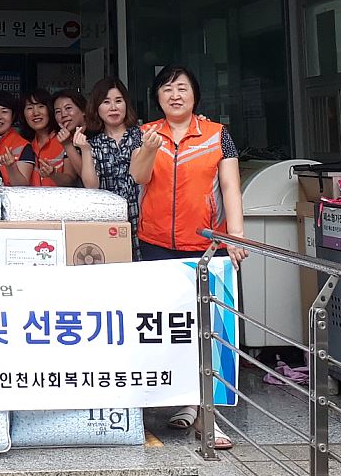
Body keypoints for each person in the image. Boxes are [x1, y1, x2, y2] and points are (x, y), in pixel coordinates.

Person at [135, 65, 248, 450]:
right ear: (157, 97)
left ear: (195, 94)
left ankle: (206, 415)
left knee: (207, 329)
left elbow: (230, 186)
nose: (175, 95)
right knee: (167, 327)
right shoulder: (147, 132)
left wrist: (235, 235)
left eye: (182, 88)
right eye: (167, 89)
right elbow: (139, 177)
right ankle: (180, 400)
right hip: (155, 244)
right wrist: (149, 149)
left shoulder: (218, 135)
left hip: (205, 245)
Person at [72, 77, 162, 260]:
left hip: (144, 221)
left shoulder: (142, 135)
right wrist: (85, 150)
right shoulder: (94, 143)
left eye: (118, 101)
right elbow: (91, 186)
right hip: (109, 223)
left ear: (126, 105)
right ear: (96, 108)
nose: (113, 107)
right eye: (106, 102)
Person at [21, 88, 76, 186]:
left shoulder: (65, 139)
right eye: (29, 108)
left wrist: (53, 174)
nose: (36, 113)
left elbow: (71, 181)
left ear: (50, 110)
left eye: (41, 106)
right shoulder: (23, 145)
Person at [0, 90, 34, 186]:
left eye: (4, 111)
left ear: (13, 116)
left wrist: (11, 166)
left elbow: (22, 186)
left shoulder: (23, 146)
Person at [54, 89, 88, 179]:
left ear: (83, 110)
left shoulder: (96, 136)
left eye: (68, 108)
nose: (63, 115)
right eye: (58, 111)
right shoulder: (69, 138)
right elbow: (70, 179)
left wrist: (67, 145)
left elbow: (87, 177)